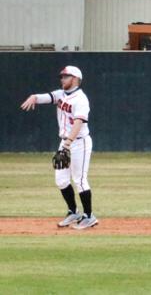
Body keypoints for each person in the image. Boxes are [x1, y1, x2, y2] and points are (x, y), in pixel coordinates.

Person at [20, 65, 98, 229]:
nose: (62, 79)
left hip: (79, 142)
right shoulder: (61, 94)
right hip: (66, 142)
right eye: (61, 76)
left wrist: (68, 143)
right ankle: (73, 211)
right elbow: (48, 97)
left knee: (80, 180)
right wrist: (34, 97)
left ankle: (89, 216)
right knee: (61, 180)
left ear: (75, 79)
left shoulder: (81, 99)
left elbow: (78, 123)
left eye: (65, 76)